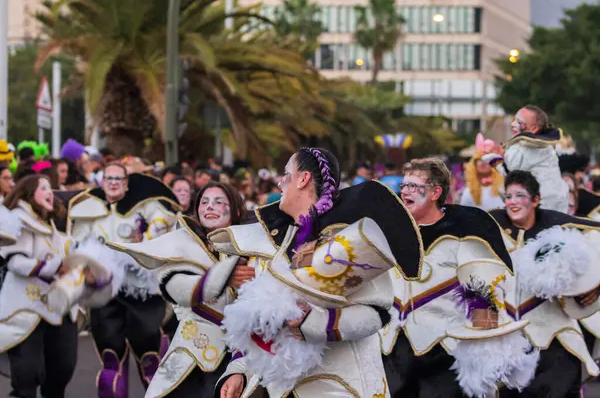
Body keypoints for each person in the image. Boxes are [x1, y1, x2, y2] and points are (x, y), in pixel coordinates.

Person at [197, 148, 424, 397]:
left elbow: (375, 314)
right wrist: (239, 368)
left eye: (286, 174)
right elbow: (260, 316)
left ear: (303, 179)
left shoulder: (348, 236)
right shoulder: (277, 240)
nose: (280, 182)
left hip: (341, 387)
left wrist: (311, 322)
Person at [380, 158, 536, 398]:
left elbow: (485, 293)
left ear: (435, 192)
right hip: (395, 351)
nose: (406, 192)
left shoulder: (466, 231)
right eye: (404, 186)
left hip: (445, 351)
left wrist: (487, 349)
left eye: (414, 186)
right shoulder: (390, 230)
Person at [108, 182, 248, 397]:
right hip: (191, 358)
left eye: (219, 202)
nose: (210, 207)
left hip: (242, 358)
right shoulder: (180, 245)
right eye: (204, 202)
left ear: (236, 211)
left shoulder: (253, 252)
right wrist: (225, 276)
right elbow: (180, 290)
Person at [67, 163, 180, 397]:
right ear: (102, 181)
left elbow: (164, 221)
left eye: (119, 178)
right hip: (105, 290)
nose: (114, 182)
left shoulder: (145, 204)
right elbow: (75, 244)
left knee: (150, 359)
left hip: (140, 290)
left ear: (127, 183)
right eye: (109, 178)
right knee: (110, 360)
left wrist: (144, 241)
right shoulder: (87, 207)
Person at [489, 170, 600, 397]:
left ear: (536, 200)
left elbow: (592, 255)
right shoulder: (491, 228)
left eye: (520, 195)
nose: (512, 202)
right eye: (508, 196)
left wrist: (596, 284)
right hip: (507, 342)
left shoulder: (559, 229)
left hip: (555, 339)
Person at [0, 175, 79, 398]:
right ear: (28, 192)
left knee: (62, 369)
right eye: (43, 188)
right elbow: (16, 263)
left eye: (50, 188)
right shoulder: (17, 220)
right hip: (26, 307)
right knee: (27, 375)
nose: (50, 192)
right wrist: (56, 266)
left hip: (58, 306)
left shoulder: (54, 225)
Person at [483, 105, 569, 213]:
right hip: (554, 201)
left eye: (519, 122)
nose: (512, 124)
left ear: (534, 129)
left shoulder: (526, 147)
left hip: (543, 205)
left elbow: (512, 170)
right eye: (514, 119)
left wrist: (493, 157)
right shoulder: (545, 147)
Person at [459, 133, 504, 210]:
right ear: (474, 165)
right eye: (479, 160)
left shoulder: (502, 188)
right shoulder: (469, 192)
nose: (482, 163)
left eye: (486, 159)